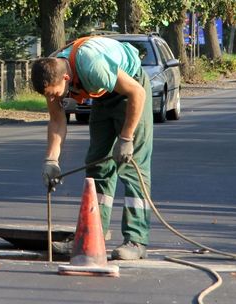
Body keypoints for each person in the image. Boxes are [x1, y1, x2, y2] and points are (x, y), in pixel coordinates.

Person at [31, 36, 153, 260]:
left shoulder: (92, 66)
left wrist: (126, 138)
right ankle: (93, 233)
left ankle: (136, 239)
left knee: (131, 166)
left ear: (66, 78)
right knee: (97, 163)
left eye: (54, 93)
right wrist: (51, 160)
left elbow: (138, 92)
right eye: (48, 94)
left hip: (131, 91)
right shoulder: (52, 73)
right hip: (104, 96)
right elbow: (57, 120)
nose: (52, 97)